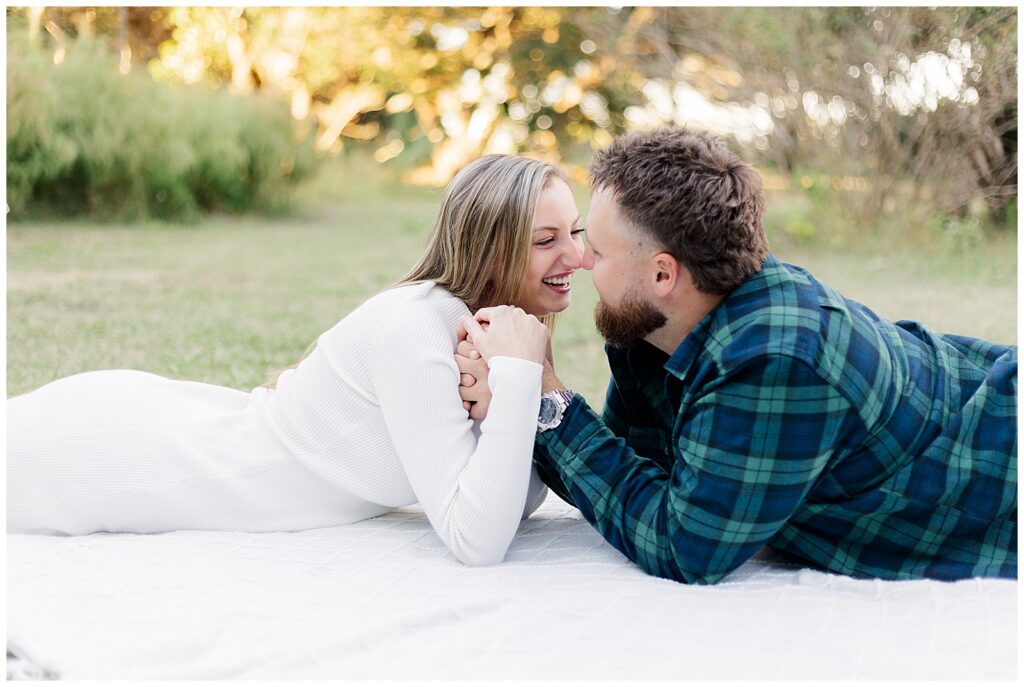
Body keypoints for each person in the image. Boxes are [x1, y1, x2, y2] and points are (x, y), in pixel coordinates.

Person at [457, 127, 1017, 583]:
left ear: (661, 273)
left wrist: (545, 398)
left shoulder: (774, 359)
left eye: (596, 249)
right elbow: (632, 477)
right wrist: (520, 397)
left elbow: (685, 546)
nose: (579, 261)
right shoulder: (652, 323)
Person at [7, 154, 586, 567]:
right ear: (490, 247)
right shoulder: (416, 326)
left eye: (576, 233)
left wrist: (521, 393)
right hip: (121, 455)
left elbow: (515, 501)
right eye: (545, 240)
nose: (577, 256)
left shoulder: (488, 334)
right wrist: (518, 380)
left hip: (190, 427)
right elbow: (477, 540)